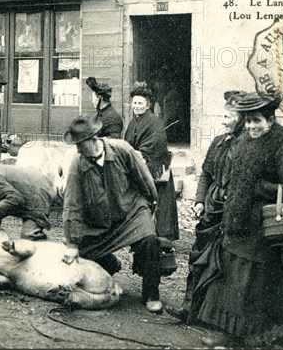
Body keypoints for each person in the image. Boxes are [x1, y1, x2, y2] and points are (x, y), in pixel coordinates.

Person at [195, 92, 283, 346]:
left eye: (258, 121)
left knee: (250, 287)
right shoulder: (243, 143)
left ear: (271, 120)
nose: (253, 127)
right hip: (237, 223)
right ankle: (229, 333)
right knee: (231, 281)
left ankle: (248, 338)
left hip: (260, 229)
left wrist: (256, 186)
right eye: (249, 121)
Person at [61, 115, 164, 313]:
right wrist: (72, 243)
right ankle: (110, 262)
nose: (78, 149)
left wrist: (151, 207)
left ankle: (151, 295)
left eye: (80, 144)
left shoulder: (122, 150)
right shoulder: (77, 164)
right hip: (100, 223)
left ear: (93, 140)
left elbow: (144, 178)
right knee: (82, 255)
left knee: (150, 241)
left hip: (131, 212)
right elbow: (72, 204)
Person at [167, 91, 245, 322]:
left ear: (241, 118)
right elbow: (206, 174)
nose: (223, 120)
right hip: (212, 209)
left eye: (228, 116)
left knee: (223, 266)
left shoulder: (247, 146)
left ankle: (214, 317)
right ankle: (189, 309)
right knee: (198, 257)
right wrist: (200, 201)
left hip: (231, 211)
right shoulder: (219, 143)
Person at [124, 82, 179, 241]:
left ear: (148, 105)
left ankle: (159, 237)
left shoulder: (155, 122)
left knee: (158, 208)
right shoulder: (134, 121)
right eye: (134, 103)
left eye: (140, 103)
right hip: (139, 167)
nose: (137, 106)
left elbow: (157, 146)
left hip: (154, 170)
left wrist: (136, 153)